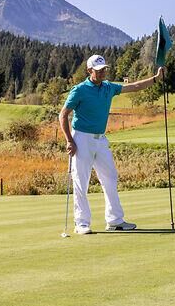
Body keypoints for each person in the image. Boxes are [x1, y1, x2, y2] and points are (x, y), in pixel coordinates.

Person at [59, 54, 163, 234]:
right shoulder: (79, 90)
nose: (102, 73)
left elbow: (134, 86)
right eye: (98, 70)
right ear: (90, 70)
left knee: (110, 177)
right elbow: (63, 115)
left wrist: (156, 79)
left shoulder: (108, 87)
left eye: (104, 69)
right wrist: (69, 140)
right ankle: (81, 223)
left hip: (101, 139)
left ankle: (115, 220)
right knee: (81, 181)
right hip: (81, 137)